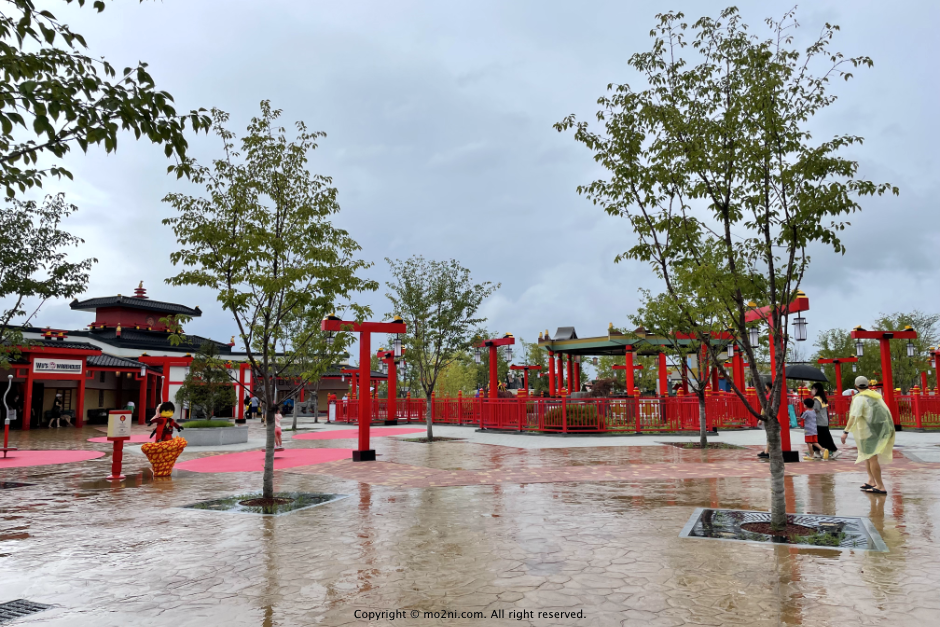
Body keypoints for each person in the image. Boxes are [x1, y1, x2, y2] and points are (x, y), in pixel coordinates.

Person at [842, 376, 895, 495]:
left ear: (856, 386)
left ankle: (880, 486)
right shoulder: (875, 395)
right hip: (877, 429)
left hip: (868, 431)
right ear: (867, 385)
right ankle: (871, 480)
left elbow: (853, 417)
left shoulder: (859, 399)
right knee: (867, 456)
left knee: (872, 458)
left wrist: (845, 432)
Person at [811, 383, 838, 459]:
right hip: (824, 420)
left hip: (819, 422)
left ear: (816, 389)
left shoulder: (816, 400)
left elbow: (815, 410)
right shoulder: (822, 398)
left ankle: (835, 450)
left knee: (824, 438)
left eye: (812, 389)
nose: (811, 391)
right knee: (819, 438)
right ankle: (817, 452)